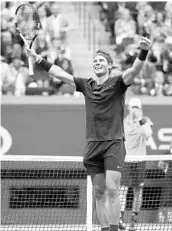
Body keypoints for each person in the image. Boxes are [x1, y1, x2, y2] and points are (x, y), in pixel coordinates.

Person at [25, 36, 151, 231]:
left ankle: (114, 228)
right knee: (99, 193)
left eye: (101, 60)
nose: (97, 62)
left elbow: (134, 70)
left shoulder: (118, 83)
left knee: (112, 188)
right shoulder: (86, 85)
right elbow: (60, 74)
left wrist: (143, 51)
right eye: (95, 61)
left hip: (113, 144)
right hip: (93, 146)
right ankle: (104, 229)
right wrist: (38, 58)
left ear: (110, 66)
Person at [119, 98, 153, 231]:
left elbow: (148, 135)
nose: (135, 110)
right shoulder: (123, 122)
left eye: (137, 107)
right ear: (129, 108)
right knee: (123, 190)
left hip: (140, 160)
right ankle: (120, 219)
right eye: (133, 107)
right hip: (126, 160)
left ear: (140, 109)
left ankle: (134, 219)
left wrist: (140, 120)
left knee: (138, 190)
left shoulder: (145, 120)